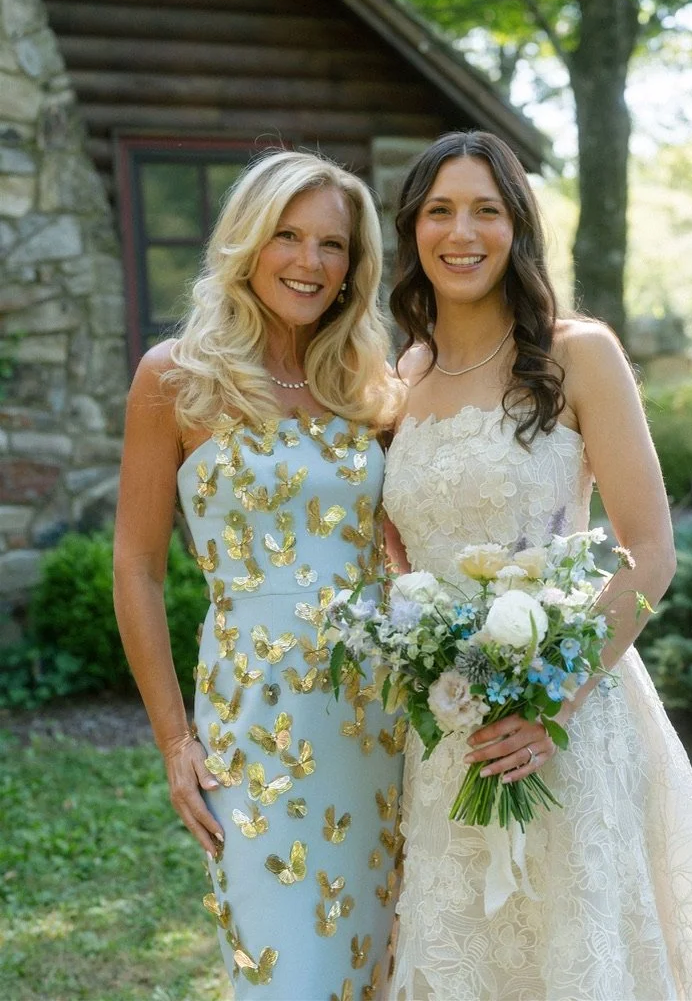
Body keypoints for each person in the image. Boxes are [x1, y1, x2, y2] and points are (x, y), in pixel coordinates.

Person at [381, 130, 692, 1001]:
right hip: (445, 727)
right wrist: (422, 644)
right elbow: (395, 548)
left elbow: (650, 550)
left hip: (568, 714)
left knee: (576, 948)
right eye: (439, 210)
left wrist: (552, 697)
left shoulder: (576, 352)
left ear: (518, 227)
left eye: (486, 209)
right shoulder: (396, 378)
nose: (461, 232)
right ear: (412, 230)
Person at [113, 150, 405, 1001]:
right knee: (281, 971)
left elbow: (402, 547)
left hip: (378, 716)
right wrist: (176, 741)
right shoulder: (174, 377)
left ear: (355, 267)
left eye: (332, 245)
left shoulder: (371, 387)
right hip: (253, 716)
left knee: (380, 961)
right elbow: (134, 567)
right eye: (288, 235)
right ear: (247, 240)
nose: (310, 263)